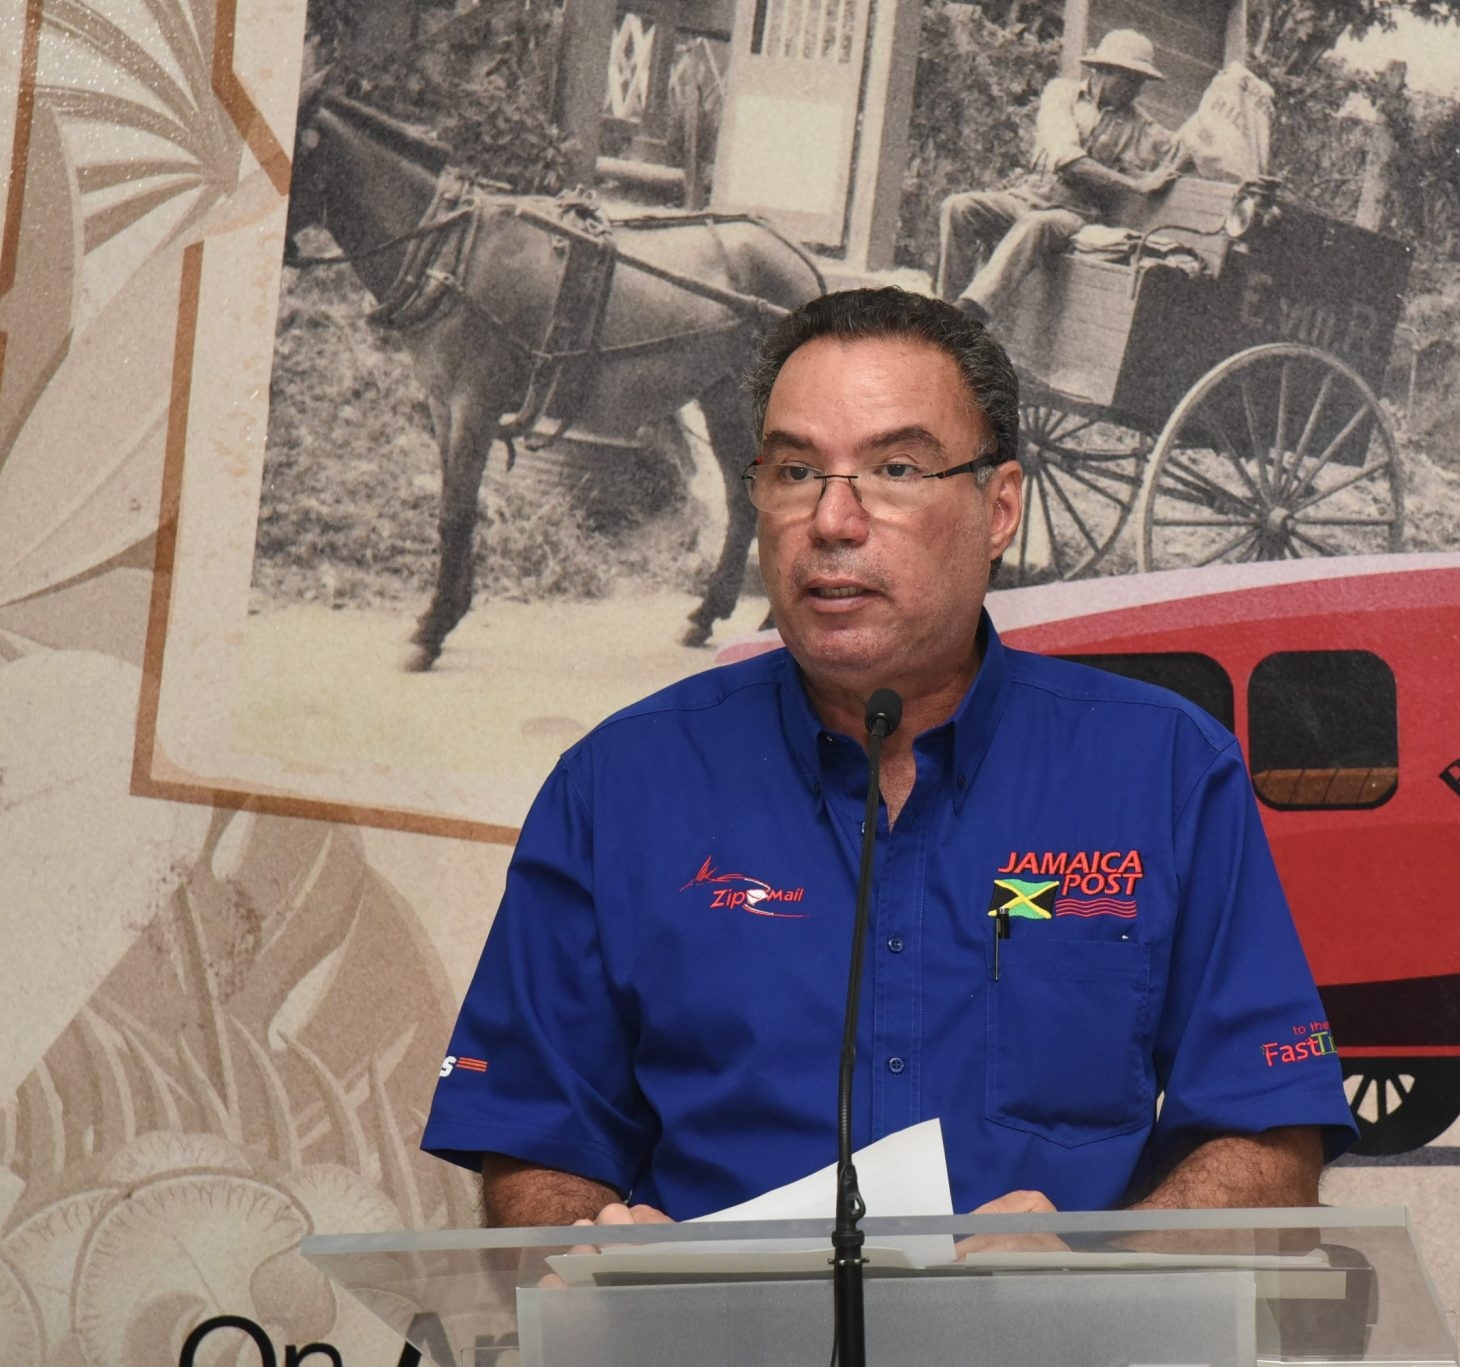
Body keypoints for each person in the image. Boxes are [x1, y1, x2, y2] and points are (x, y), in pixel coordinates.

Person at [420, 288, 1356, 1228]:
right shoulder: (615, 789)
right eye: (794, 470)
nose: (832, 519)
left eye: (894, 467)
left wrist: (1101, 1271)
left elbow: (1269, 1137)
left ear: (999, 508)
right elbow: (533, 1144)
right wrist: (596, 1246)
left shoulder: (1165, 772)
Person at [937, 30, 1182, 323]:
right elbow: (1068, 161)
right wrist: (1136, 184)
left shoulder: (1141, 125)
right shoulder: (1061, 94)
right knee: (959, 206)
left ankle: (970, 315)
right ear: (1103, 70)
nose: (1137, 89)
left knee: (1037, 224)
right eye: (1131, 79)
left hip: (1074, 215)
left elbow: (1182, 151)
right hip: (1026, 197)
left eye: (1141, 81)